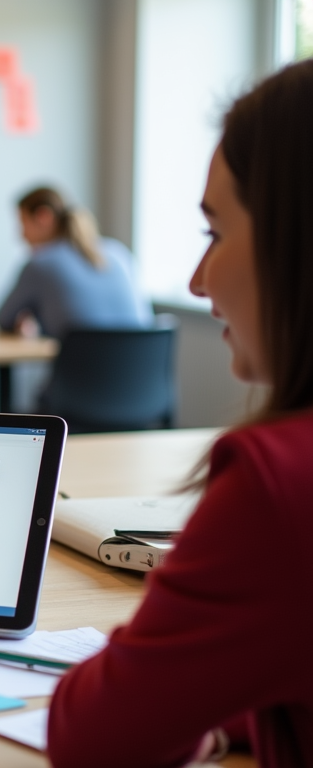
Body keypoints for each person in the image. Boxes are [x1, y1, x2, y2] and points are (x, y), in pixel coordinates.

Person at [48, 60, 313, 768]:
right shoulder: (116, 257)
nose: (197, 280)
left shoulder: (278, 481)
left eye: (215, 234)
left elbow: (92, 739)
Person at [0, 187, 152, 339]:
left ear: (43, 217)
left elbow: (4, 319)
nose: (22, 236)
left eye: (23, 224)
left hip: (83, 363)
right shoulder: (119, 253)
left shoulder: (40, 264)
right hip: (145, 363)